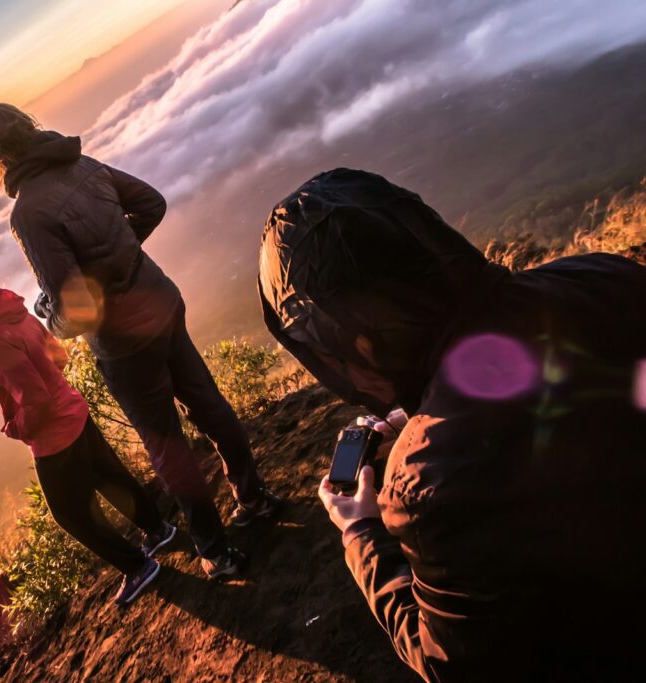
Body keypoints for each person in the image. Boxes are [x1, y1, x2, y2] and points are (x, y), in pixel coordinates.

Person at [258, 168, 646, 681]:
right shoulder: (603, 275)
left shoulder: (427, 487)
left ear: (356, 343)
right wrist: (429, 408)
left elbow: (450, 663)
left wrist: (360, 531)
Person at [0, 103, 280, 579]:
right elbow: (151, 204)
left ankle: (217, 551)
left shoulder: (29, 213)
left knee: (167, 446)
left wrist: (46, 316)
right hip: (160, 298)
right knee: (209, 405)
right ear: (28, 125)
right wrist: (122, 257)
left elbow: (76, 310)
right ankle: (254, 498)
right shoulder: (83, 164)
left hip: (124, 343)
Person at [0, 274, 176, 605]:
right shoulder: (17, 313)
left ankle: (138, 566)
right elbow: (59, 357)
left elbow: (35, 400)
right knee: (110, 477)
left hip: (54, 439)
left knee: (70, 514)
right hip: (75, 412)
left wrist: (18, 428)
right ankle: (159, 530)